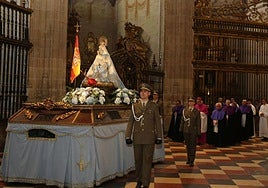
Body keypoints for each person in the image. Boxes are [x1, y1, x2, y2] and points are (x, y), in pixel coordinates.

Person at [125, 83, 163, 188]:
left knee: (147, 160)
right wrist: (128, 136)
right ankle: (139, 180)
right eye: (141, 91)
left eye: (145, 91)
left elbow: (157, 123)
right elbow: (130, 122)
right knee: (138, 161)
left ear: (149, 93)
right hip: (137, 137)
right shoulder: (135, 106)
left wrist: (159, 137)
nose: (143, 93)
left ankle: (146, 183)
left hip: (149, 137)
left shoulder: (154, 106)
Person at [179, 97, 201, 167]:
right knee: (188, 146)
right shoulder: (185, 110)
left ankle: (192, 160)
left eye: (192, 101)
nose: (190, 103)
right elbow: (182, 120)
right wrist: (181, 129)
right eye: (189, 101)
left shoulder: (196, 111)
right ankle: (188, 159)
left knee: (192, 146)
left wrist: (198, 132)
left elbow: (198, 122)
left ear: (194, 103)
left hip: (193, 131)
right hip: (186, 130)